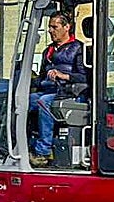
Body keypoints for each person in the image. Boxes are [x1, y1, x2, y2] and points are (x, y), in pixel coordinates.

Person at [29, 11, 87, 166]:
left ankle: (43, 151)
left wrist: (64, 76)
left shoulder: (79, 49)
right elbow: (41, 76)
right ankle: (23, 143)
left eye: (54, 27)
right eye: (49, 27)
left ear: (67, 27)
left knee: (43, 102)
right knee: (23, 101)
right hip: (49, 90)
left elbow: (85, 77)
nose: (50, 30)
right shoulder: (48, 51)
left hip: (70, 93)